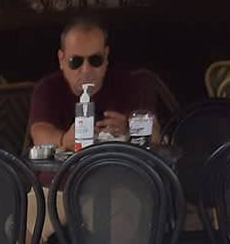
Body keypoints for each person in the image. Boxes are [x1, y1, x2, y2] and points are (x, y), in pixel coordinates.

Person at [28, 13, 159, 151]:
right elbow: (39, 134)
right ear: (62, 60)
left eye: (95, 60)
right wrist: (65, 139)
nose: (86, 69)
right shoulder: (48, 88)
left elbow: (155, 134)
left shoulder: (128, 84)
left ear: (106, 56)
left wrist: (129, 129)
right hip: (65, 169)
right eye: (76, 61)